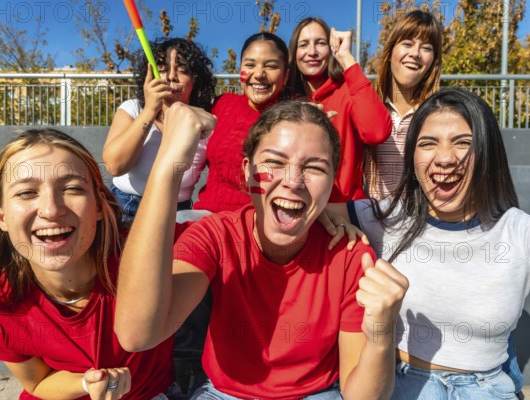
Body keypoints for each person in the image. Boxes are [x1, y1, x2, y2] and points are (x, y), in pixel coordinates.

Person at [114, 100, 409, 399]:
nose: (293, 182)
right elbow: (136, 333)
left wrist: (381, 334)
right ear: (247, 171)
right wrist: (168, 165)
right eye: (275, 162)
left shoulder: (349, 255)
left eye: (314, 167)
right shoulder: (217, 236)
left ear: (333, 178)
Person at [329, 88, 530, 399]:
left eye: (463, 143)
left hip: (488, 389)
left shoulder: (520, 232)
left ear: (488, 153)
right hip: (401, 384)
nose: (445, 158)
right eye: (428, 143)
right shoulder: (381, 217)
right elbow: (298, 212)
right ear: (413, 158)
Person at [0, 129, 177, 399]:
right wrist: (87, 384)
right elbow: (37, 382)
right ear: (2, 216)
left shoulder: (149, 254)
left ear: (100, 206)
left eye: (72, 188)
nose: (52, 209)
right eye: (26, 193)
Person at [103, 37, 216, 222]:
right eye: (162, 69)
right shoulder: (133, 109)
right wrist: (150, 110)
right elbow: (114, 165)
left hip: (177, 213)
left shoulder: (204, 120)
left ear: (196, 80)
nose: (171, 76)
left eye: (183, 70)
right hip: (125, 207)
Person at [286, 17, 392, 203]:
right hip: (294, 205)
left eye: (320, 43)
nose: (312, 52)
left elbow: (377, 132)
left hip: (343, 211)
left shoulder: (349, 90)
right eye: (303, 45)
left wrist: (346, 58)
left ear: (331, 48)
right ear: (294, 53)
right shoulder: (285, 99)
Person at [191, 32, 290, 216]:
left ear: (285, 76)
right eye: (250, 65)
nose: (259, 74)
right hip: (207, 218)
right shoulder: (222, 104)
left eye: (271, 66)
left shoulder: (293, 117)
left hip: (260, 224)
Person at [364, 10, 442, 200]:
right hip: (367, 223)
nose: (415, 54)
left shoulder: (439, 115)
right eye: (407, 43)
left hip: (420, 224)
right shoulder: (366, 106)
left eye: (426, 48)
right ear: (390, 52)